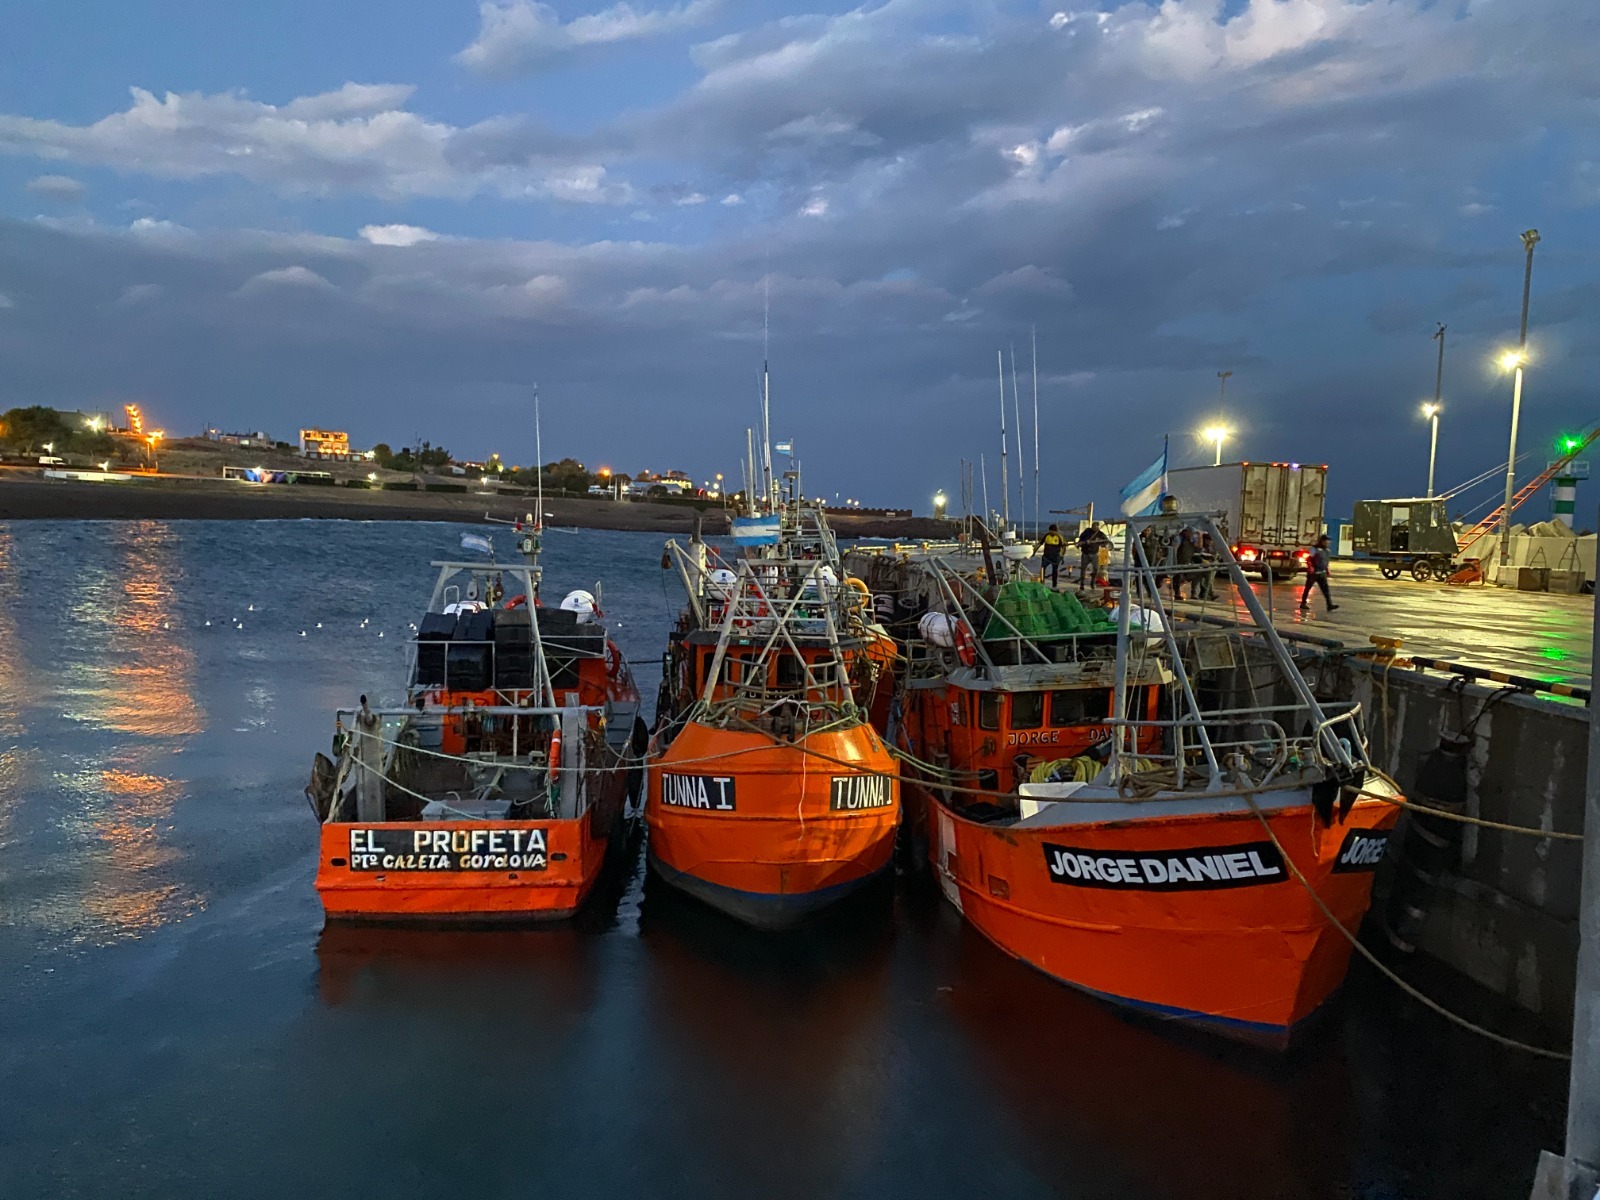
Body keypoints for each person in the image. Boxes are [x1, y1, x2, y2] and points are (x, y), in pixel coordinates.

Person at [1300, 534, 1339, 612]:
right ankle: (1303, 603)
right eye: (1327, 541)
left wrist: (1327, 569)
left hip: (1322, 573)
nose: (1328, 543)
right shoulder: (1314, 549)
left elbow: (1326, 561)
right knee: (1308, 588)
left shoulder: (1327, 550)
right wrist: (1310, 567)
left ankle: (1329, 605)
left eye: (1329, 542)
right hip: (1313, 573)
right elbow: (1308, 559)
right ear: (1322, 541)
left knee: (1326, 589)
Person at [1076, 522, 1108, 589]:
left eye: (1096, 527)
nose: (1095, 528)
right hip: (1085, 553)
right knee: (1083, 569)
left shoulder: (1100, 534)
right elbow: (1081, 539)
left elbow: (1106, 541)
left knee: (1096, 569)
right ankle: (1082, 584)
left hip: (1094, 554)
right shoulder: (1087, 531)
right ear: (1092, 526)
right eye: (1094, 527)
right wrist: (1083, 542)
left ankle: (1093, 583)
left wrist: (1100, 542)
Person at [1035, 523, 1067, 588]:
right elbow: (1039, 544)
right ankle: (1042, 583)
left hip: (1055, 557)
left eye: (1053, 531)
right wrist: (1034, 552)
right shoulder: (1046, 536)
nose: (1051, 532)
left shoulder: (1059, 537)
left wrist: (1062, 556)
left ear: (1056, 531)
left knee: (1054, 572)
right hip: (1046, 557)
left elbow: (1064, 547)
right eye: (1050, 531)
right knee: (1042, 569)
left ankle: (1054, 585)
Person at [1172, 528, 1198, 601]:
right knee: (1178, 577)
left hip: (1188, 561)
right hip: (1179, 561)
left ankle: (1177, 584)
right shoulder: (1179, 539)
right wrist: (1175, 561)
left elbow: (1197, 548)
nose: (1191, 535)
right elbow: (1175, 550)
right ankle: (1177, 593)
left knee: (1193, 574)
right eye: (1190, 533)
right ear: (1186, 532)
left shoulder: (1192, 540)